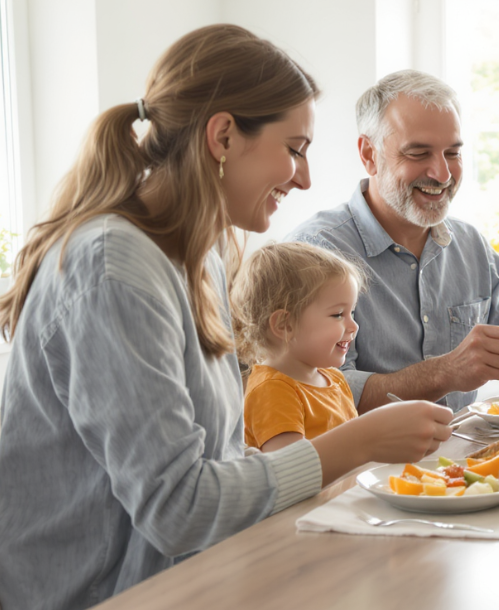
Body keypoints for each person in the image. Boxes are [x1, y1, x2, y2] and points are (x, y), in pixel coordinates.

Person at [0, 25, 452, 610]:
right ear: (222, 136)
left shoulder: (206, 254)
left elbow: (221, 462)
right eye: (294, 149)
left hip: (187, 579)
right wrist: (356, 443)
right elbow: (178, 508)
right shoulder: (115, 267)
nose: (305, 177)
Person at [287, 69, 499, 413]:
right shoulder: (313, 252)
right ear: (369, 154)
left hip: (463, 459)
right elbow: (319, 392)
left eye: (452, 153)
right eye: (419, 153)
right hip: (368, 466)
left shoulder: (471, 245)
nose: (443, 175)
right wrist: (445, 373)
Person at [231, 242, 365, 452]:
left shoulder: (334, 378)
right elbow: (294, 475)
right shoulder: (272, 390)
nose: (354, 326)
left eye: (352, 313)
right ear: (284, 325)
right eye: (338, 314)